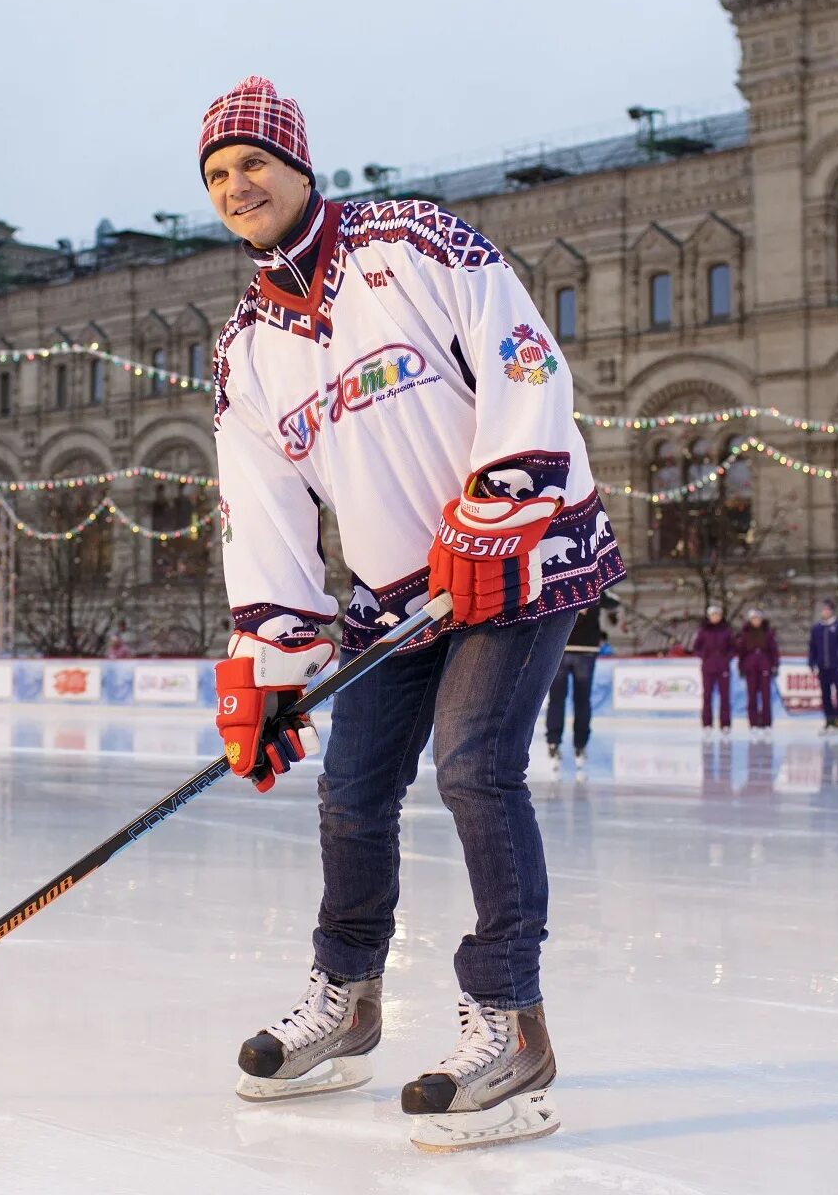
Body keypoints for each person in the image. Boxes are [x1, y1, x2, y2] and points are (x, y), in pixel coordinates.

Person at [201, 77, 624, 1151]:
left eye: (252, 161)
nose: (237, 184)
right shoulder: (245, 350)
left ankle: (509, 1022)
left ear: (300, 166)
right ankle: (346, 1001)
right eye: (216, 175)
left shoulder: (414, 241)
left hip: (518, 556)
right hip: (394, 599)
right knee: (351, 791)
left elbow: (522, 357)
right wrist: (269, 664)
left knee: (473, 766)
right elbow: (264, 518)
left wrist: (501, 506)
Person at [545, 588, 619, 773]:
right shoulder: (595, 585)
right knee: (582, 700)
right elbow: (614, 602)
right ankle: (580, 744)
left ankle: (554, 741)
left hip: (560, 648)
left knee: (557, 699)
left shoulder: (561, 583)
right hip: (585, 650)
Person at [807, 599, 838, 731]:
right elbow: (812, 647)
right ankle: (829, 719)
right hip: (823, 667)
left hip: (837, 667)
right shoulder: (817, 628)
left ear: (832, 611)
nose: (824, 612)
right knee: (825, 695)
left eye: (827, 609)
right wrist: (812, 663)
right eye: (823, 610)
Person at [693, 605, 736, 732]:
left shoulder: (726, 631)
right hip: (708, 668)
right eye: (712, 615)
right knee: (707, 696)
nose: (715, 617)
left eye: (717, 614)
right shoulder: (704, 631)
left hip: (723, 668)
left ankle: (725, 724)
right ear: (709, 616)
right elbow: (696, 647)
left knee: (725, 697)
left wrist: (726, 658)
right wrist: (704, 657)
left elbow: (732, 648)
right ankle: (707, 724)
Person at [736, 608, 780, 731]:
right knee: (752, 697)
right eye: (753, 619)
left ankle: (767, 722)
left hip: (765, 667)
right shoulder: (745, 634)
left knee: (766, 696)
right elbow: (741, 653)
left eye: (758, 618)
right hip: (750, 668)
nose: (756, 621)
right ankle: (753, 723)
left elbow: (774, 651)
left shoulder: (768, 633)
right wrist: (741, 667)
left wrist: (775, 665)